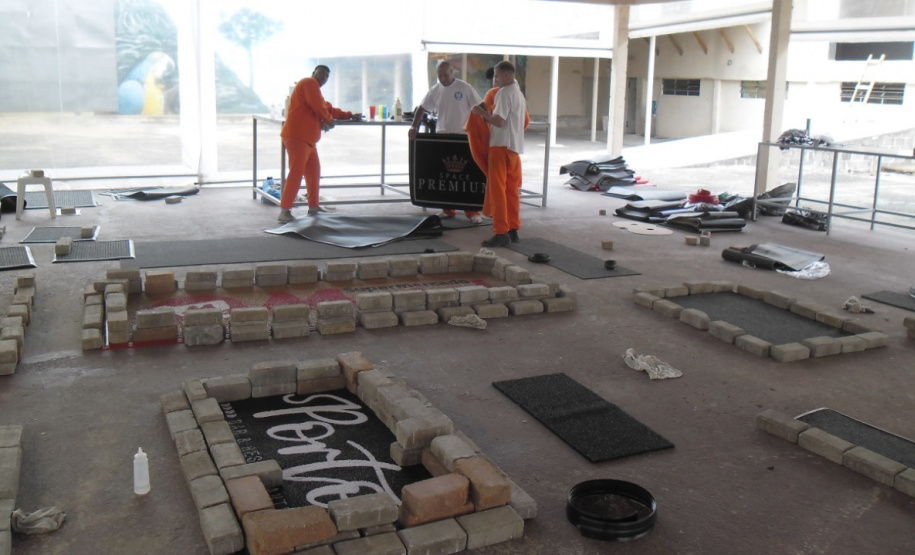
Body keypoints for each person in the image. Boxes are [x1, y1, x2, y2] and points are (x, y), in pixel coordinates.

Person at [278, 65, 357, 222]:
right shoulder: (309, 83)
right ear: (313, 73)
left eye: (327, 76)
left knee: (313, 172)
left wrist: (349, 115)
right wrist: (328, 120)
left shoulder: (314, 92)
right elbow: (320, 108)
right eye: (321, 73)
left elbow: (326, 108)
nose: (324, 77)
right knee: (296, 173)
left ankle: (313, 208)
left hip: (308, 140)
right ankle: (284, 211)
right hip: (298, 137)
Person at [409, 61, 484, 223]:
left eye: (446, 75)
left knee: (467, 175)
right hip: (442, 136)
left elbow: (480, 106)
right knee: (444, 176)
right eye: (440, 76)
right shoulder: (435, 91)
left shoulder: (464, 88)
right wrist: (414, 126)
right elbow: (421, 108)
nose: (443, 78)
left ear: (453, 73)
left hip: (463, 136)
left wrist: (487, 125)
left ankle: (473, 212)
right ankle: (448, 209)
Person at [472, 61, 527, 247]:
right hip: (514, 149)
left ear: (505, 75)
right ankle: (513, 229)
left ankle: (501, 231)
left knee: (498, 190)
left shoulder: (503, 93)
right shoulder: (519, 93)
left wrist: (482, 113)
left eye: (496, 76)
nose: (494, 80)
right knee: (511, 191)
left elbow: (499, 121)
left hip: (500, 147)